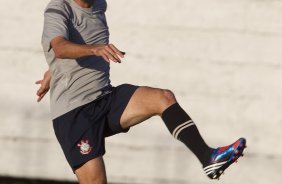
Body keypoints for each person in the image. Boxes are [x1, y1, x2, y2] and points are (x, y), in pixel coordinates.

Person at [36, 0, 247, 183]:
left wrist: (53, 70)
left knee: (162, 98)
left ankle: (208, 158)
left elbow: (71, 45)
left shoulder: (100, 5)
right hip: (74, 115)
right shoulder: (58, 9)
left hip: (105, 99)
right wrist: (91, 49)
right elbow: (60, 47)